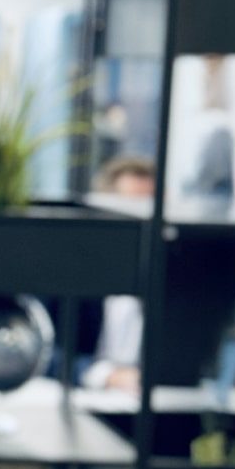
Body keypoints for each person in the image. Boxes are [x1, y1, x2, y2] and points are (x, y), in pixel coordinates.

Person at [81, 155, 156, 395]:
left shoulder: (177, 279)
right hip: (89, 397)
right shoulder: (79, 272)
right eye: (132, 208)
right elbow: (47, 355)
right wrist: (108, 377)